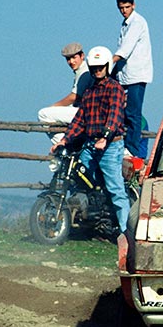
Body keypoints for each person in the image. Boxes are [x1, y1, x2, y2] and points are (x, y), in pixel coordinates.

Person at [51, 46, 130, 234]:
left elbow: (115, 115)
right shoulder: (89, 92)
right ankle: (89, 219)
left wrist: (105, 137)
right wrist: (64, 140)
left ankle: (127, 234)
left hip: (110, 145)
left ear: (107, 67)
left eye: (100, 67)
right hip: (90, 145)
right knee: (81, 179)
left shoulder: (115, 89)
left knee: (116, 190)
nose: (97, 71)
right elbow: (80, 119)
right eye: (94, 67)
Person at [112, 0, 153, 159]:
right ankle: (119, 142)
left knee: (133, 112)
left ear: (133, 5)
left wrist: (108, 62)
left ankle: (132, 150)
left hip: (137, 74)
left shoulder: (137, 22)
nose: (124, 10)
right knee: (117, 107)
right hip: (125, 74)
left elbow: (125, 50)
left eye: (127, 7)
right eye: (121, 8)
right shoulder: (125, 24)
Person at [38, 42, 92, 144]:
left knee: (43, 114)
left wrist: (53, 107)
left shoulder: (84, 72)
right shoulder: (82, 70)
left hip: (85, 112)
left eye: (74, 57)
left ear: (82, 56)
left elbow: (74, 97)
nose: (71, 61)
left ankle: (66, 146)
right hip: (84, 110)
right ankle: (72, 141)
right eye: (68, 59)